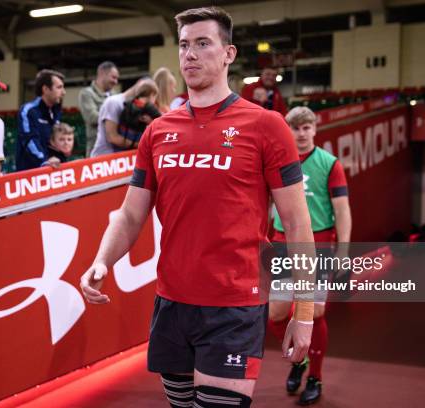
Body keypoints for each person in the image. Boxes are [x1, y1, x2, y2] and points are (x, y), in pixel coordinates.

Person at [80, 7, 315, 407]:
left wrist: (304, 312)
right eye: (185, 45)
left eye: (203, 43)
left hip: (234, 309)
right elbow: (131, 213)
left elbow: (296, 224)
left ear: (229, 53)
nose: (190, 54)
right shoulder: (158, 132)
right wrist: (102, 260)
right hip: (172, 304)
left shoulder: (266, 126)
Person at [268, 106, 352, 405]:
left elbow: (342, 210)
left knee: (314, 313)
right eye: (295, 128)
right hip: (283, 242)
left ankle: (315, 376)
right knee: (276, 314)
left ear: (315, 129)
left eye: (306, 128)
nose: (301, 134)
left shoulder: (330, 164)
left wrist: (343, 252)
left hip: (319, 244)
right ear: (288, 131)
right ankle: (298, 361)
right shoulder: (278, 161)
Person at [89, 78, 157, 156]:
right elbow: (112, 138)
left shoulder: (139, 107)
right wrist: (140, 145)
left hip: (123, 158)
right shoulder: (114, 102)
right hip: (105, 158)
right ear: (139, 85)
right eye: (146, 95)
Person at [16, 69, 65, 170]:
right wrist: (44, 161)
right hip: (29, 173)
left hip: (51, 169)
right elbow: (29, 140)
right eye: (59, 87)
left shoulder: (56, 111)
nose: (63, 92)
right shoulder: (28, 110)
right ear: (46, 89)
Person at [78, 61, 119, 156]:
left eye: (117, 78)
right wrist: (115, 119)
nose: (115, 81)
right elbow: (92, 117)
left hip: (115, 149)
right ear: (101, 74)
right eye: (113, 77)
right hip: (96, 151)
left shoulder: (115, 94)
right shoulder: (87, 93)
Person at [115, 81, 160, 151]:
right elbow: (161, 120)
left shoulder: (129, 103)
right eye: (155, 97)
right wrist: (151, 121)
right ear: (152, 95)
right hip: (138, 137)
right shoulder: (149, 107)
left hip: (124, 136)